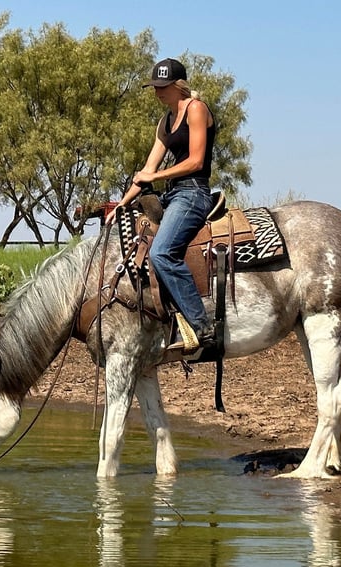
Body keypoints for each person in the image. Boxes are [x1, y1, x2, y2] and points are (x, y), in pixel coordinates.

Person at [105, 57, 216, 349]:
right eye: (155, 87)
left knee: (163, 253)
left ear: (178, 86)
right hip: (172, 193)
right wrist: (122, 204)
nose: (157, 92)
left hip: (193, 193)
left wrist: (156, 174)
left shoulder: (196, 109)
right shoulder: (165, 122)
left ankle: (202, 326)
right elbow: (147, 168)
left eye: (162, 87)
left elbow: (195, 161)